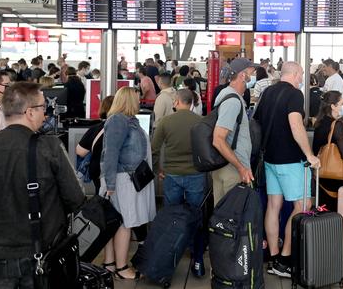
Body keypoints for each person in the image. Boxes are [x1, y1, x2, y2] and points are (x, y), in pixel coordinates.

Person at [0, 82, 85, 288]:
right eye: (43, 108)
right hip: (40, 251)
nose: (45, 114)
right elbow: (76, 199)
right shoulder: (50, 147)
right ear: (29, 112)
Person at [253, 61, 320, 278]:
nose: (302, 79)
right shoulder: (294, 95)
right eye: (301, 74)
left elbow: (257, 122)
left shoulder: (267, 92)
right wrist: (309, 155)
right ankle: (285, 260)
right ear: (294, 73)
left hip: (270, 159)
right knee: (303, 205)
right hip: (291, 160)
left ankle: (273, 257)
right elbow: (295, 125)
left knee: (274, 205)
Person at [100, 87, 156, 280]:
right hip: (121, 180)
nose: (140, 101)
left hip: (123, 179)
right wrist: (110, 184)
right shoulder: (118, 121)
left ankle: (109, 263)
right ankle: (122, 267)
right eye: (137, 99)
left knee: (114, 223)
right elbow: (111, 154)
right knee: (124, 224)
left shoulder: (126, 121)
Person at [151, 89, 206, 278]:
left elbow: (155, 149)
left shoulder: (166, 122)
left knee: (171, 213)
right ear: (191, 102)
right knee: (195, 213)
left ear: (176, 102)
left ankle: (172, 247)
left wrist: (157, 169)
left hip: (171, 174)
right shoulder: (201, 122)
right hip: (196, 174)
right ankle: (193, 248)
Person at [212, 58, 258, 204]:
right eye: (251, 74)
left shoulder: (228, 95)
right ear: (242, 76)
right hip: (232, 171)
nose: (252, 78)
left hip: (226, 167)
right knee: (232, 221)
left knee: (223, 220)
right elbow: (218, 139)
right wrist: (241, 168)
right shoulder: (232, 101)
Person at [311, 91, 343, 211]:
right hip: (335, 177)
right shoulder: (336, 125)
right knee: (336, 212)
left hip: (322, 174)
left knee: (324, 213)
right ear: (333, 106)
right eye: (341, 103)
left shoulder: (320, 121)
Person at [76, 96, 115, 194]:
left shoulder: (96, 129)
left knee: (101, 198)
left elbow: (80, 151)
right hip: (116, 173)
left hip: (98, 172)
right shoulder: (124, 128)